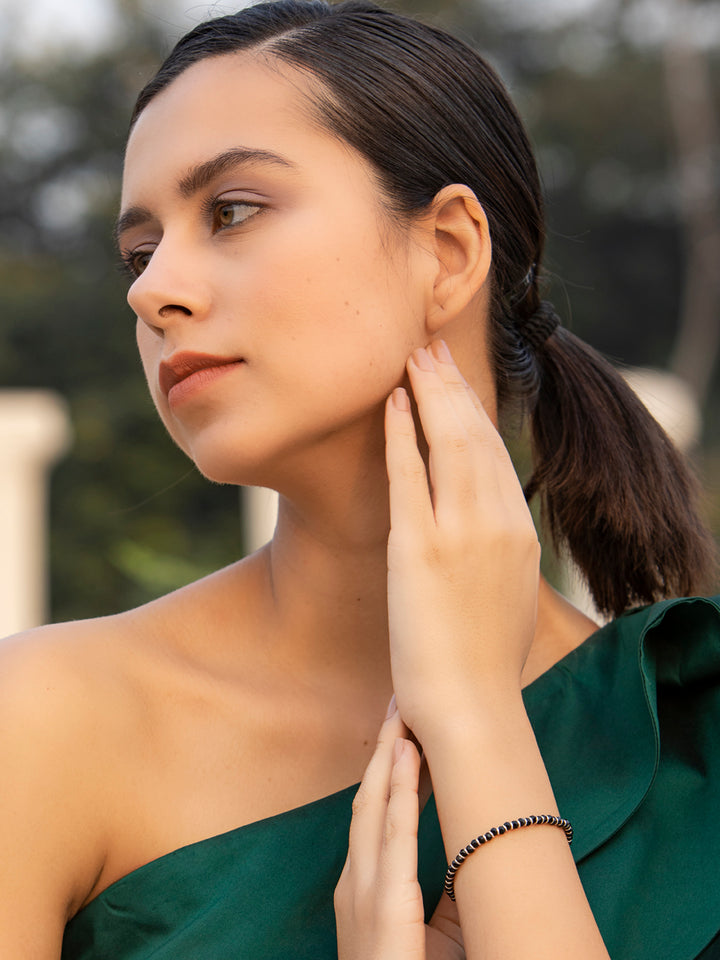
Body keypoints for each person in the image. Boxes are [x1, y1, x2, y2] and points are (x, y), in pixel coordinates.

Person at [0, 0, 717, 957]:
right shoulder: (46, 724)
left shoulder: (693, 748)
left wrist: (475, 725)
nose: (150, 288)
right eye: (139, 250)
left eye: (232, 211)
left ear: (449, 250)